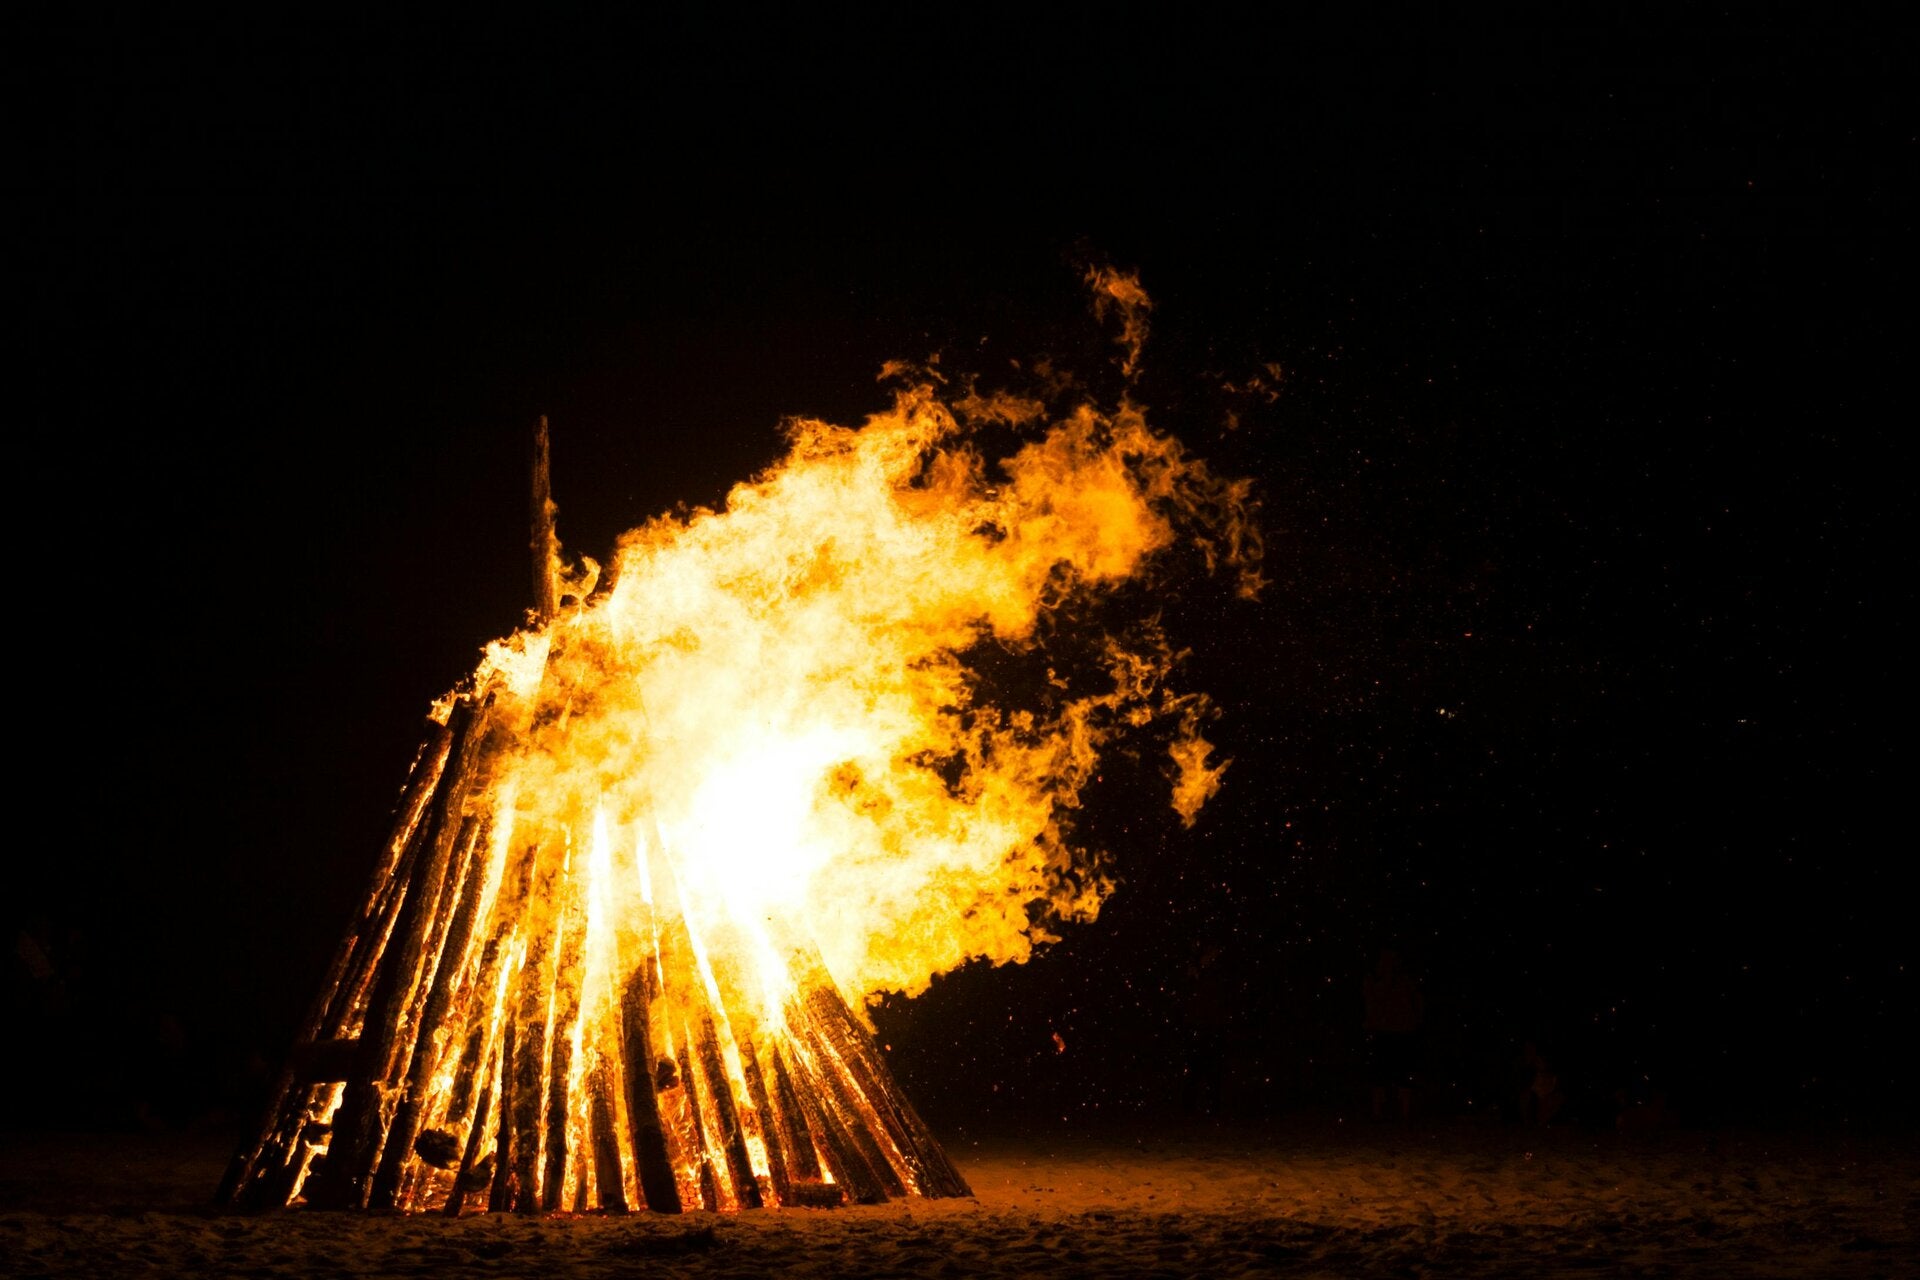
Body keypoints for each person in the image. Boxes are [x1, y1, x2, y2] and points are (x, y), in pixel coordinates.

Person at [1362, 948, 1422, 1121]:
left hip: (1399, 1031)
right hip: (1387, 1031)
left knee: (1398, 1073)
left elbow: (1417, 1002)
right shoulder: (1378, 983)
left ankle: (1400, 1112)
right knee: (1382, 1073)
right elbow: (1370, 1005)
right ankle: (1382, 1112)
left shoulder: (1403, 982)